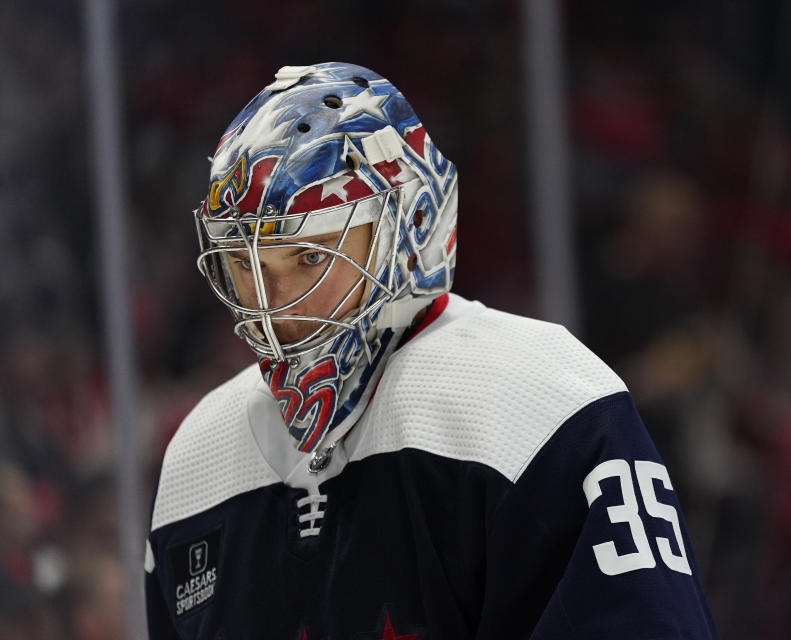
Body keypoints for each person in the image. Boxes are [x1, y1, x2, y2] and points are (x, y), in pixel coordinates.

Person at [145, 62, 721, 640]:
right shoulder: (197, 458)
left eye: (310, 258)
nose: (274, 306)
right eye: (247, 265)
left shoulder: (542, 398)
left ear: (411, 226)